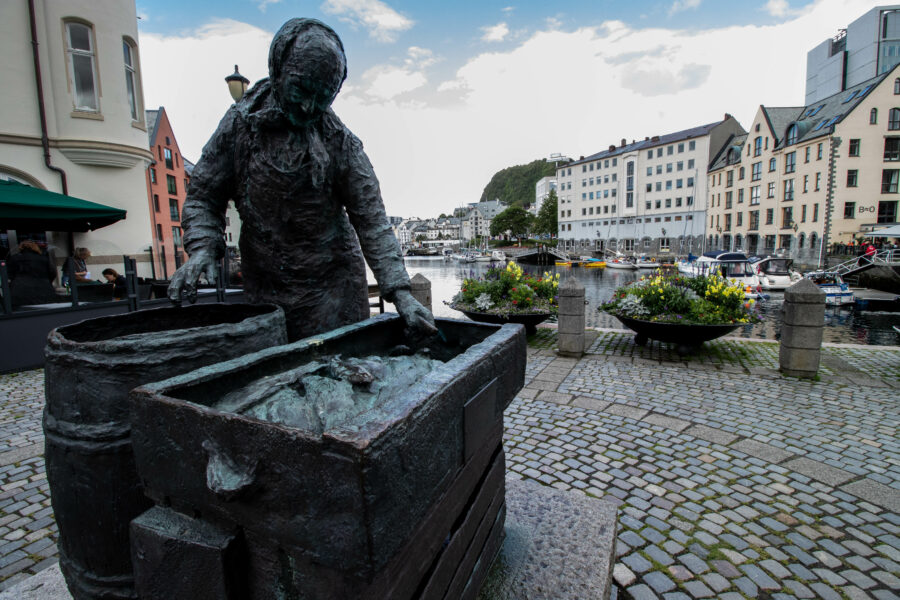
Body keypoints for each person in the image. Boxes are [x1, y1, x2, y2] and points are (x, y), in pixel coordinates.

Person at [168, 18, 436, 342]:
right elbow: (203, 197)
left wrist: (401, 293)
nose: (309, 106)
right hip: (266, 289)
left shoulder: (341, 143)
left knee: (344, 379)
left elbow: (373, 222)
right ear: (277, 70)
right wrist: (202, 248)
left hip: (334, 291)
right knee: (276, 379)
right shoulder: (239, 126)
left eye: (323, 97)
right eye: (301, 89)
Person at [7, 240, 58, 307]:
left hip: (20, 291)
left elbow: (9, 275)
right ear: (35, 247)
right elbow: (52, 272)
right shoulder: (43, 258)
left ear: (21, 248)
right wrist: (46, 282)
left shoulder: (14, 258)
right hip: (43, 289)